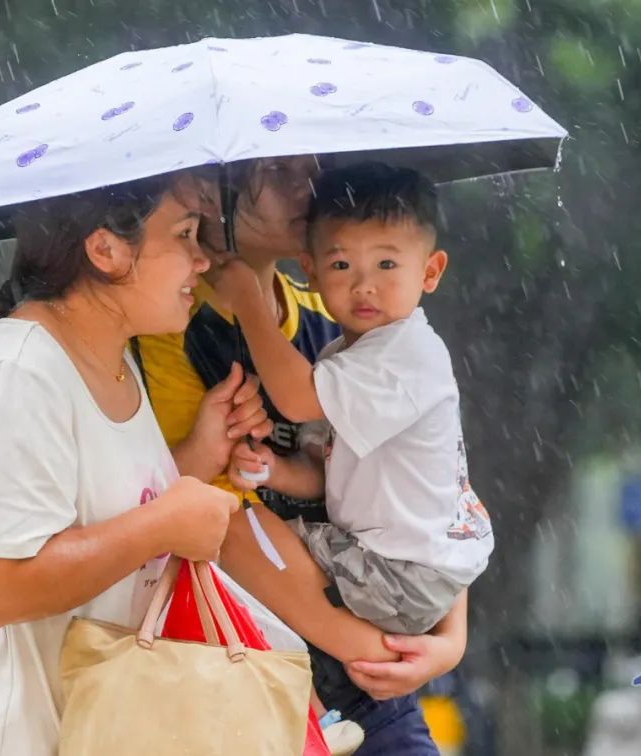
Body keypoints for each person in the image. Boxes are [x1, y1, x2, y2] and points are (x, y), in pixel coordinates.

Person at [0, 170, 273, 755]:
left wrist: (194, 460)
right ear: (106, 249)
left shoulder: (109, 359)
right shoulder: (17, 375)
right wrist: (166, 523)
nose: (202, 260)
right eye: (185, 234)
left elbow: (96, 512)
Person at [136, 156, 468, 756]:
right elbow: (197, 513)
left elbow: (430, 488)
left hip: (374, 675)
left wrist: (448, 643)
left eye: (312, 167)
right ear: (208, 193)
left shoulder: (341, 324)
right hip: (251, 675)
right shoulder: (170, 331)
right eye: (280, 171)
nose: (309, 186)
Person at [215, 162, 495, 716]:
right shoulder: (347, 355)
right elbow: (326, 469)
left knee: (231, 529)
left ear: (431, 270)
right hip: (412, 563)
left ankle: (365, 651)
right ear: (312, 272)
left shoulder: (403, 356)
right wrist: (272, 469)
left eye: (387, 263)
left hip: (401, 573)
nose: (364, 284)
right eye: (342, 264)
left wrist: (247, 300)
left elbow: (295, 400)